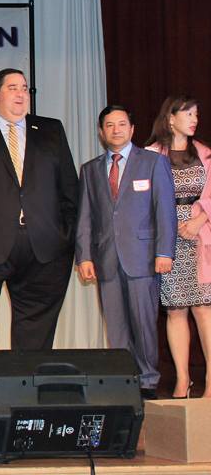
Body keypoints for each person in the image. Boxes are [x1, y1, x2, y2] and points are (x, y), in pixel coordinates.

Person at [0, 68, 78, 404]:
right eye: (12, 88)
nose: (21, 94)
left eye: (25, 88)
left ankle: (28, 384)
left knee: (34, 322)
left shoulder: (50, 130)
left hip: (44, 245)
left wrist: (68, 235)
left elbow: (69, 187)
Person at [76, 105, 175, 400]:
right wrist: (84, 257)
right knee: (116, 325)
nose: (115, 129)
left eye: (121, 124)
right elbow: (84, 217)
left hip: (143, 257)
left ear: (132, 129)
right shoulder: (91, 169)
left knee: (144, 323)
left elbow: (165, 211)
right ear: (101, 132)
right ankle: (123, 379)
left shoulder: (153, 163)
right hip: (105, 259)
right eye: (109, 125)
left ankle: (147, 380)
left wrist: (164, 252)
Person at [146, 95, 211, 399]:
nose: (194, 119)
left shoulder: (205, 154)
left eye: (196, 114)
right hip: (168, 240)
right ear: (170, 118)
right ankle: (182, 380)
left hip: (200, 237)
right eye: (188, 113)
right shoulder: (150, 155)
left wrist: (200, 219)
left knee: (203, 308)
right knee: (176, 310)